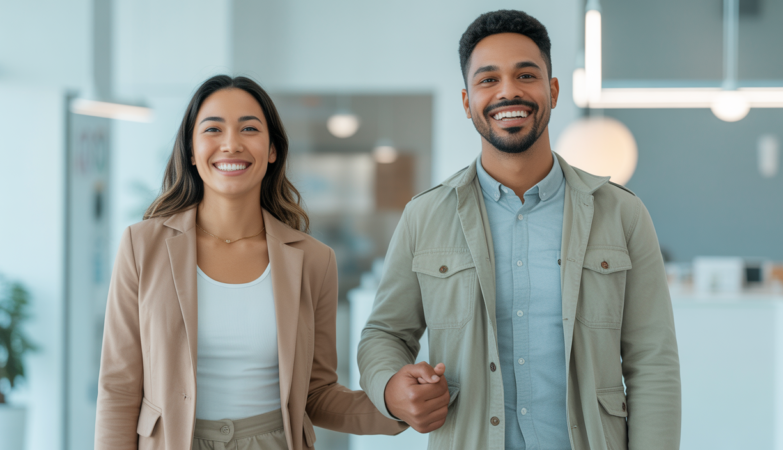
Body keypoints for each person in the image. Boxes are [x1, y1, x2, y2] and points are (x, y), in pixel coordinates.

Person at [358, 10, 681, 450]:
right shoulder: (424, 215)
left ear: (552, 90)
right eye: (488, 79)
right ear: (467, 100)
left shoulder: (622, 213)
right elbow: (384, 335)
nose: (508, 90)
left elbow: (653, 362)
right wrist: (390, 388)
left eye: (525, 75)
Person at [95, 75, 406, 450]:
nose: (231, 144)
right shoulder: (142, 246)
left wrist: (396, 407)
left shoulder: (314, 260)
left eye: (249, 128)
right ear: (192, 150)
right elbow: (118, 387)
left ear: (272, 149)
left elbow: (317, 394)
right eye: (213, 129)